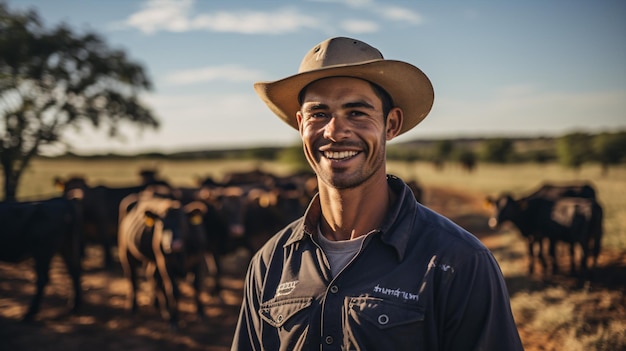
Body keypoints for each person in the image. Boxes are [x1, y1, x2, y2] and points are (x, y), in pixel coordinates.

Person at [231, 36, 524, 351]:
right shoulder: (270, 262)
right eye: (319, 114)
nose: (334, 131)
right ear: (301, 124)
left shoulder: (458, 261)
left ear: (391, 124)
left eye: (356, 112)